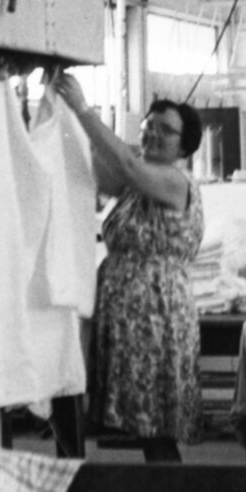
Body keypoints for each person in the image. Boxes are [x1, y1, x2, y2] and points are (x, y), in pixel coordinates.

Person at [52, 73, 203, 462]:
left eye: (166, 131)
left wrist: (83, 110)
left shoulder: (174, 181)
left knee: (155, 423)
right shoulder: (137, 185)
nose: (153, 135)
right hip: (128, 314)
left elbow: (125, 163)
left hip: (157, 317)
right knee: (140, 419)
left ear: (184, 146)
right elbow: (93, 168)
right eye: (148, 127)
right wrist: (58, 122)